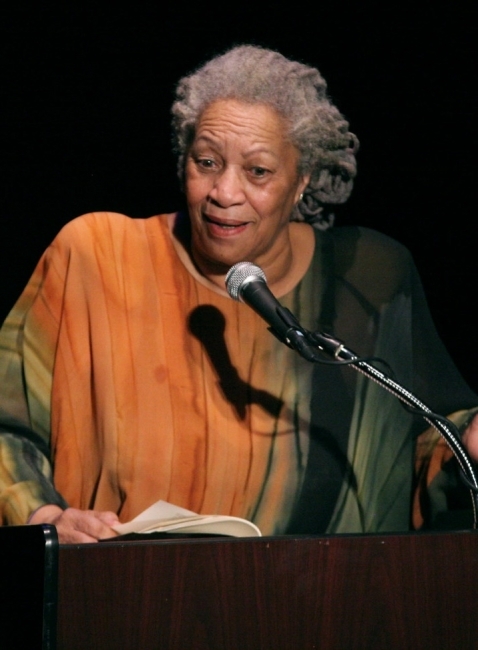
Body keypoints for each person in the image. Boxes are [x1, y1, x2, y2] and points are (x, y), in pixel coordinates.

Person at [1, 45, 477, 543]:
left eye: (258, 172)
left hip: (326, 603)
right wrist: (40, 517)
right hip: (123, 598)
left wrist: (467, 443)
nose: (224, 193)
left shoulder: (369, 280)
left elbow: (423, 448)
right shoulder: (97, 257)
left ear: (303, 180)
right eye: (206, 162)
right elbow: (6, 425)